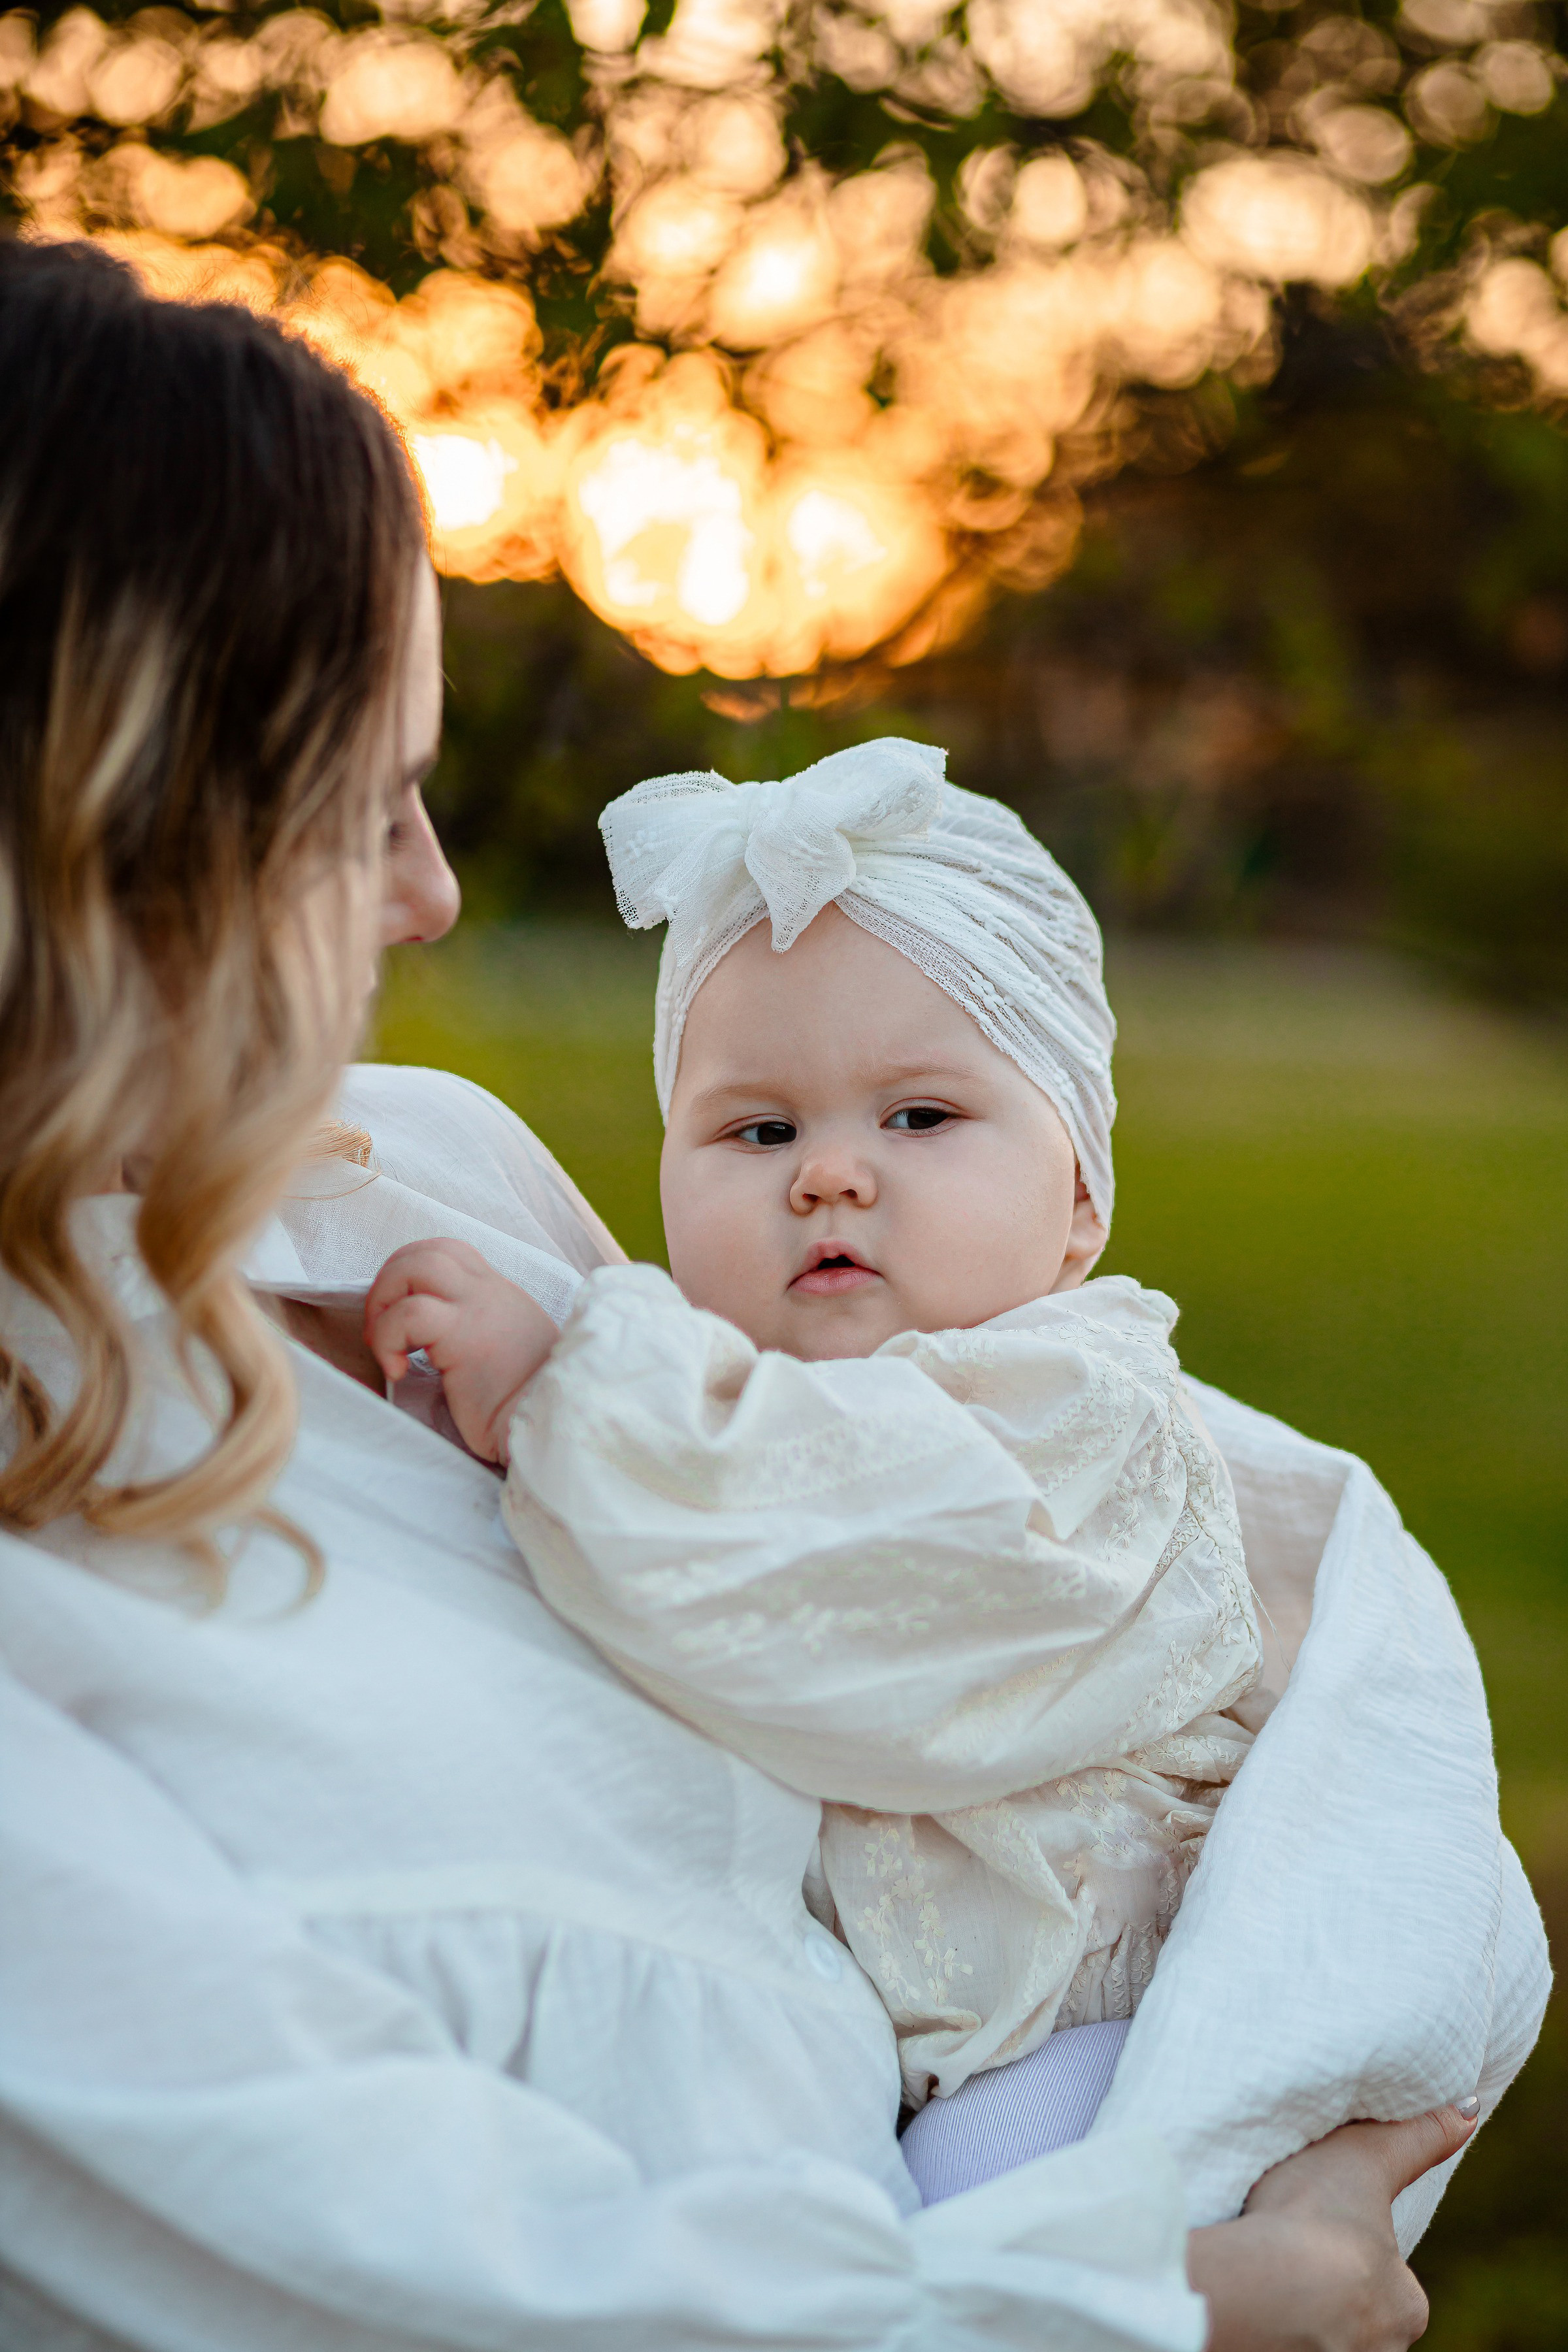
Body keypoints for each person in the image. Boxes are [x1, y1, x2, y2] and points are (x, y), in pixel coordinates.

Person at [0, 235, 1514, 2352]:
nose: (434, 897)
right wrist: (1185, 2310)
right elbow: (435, 2292)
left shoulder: (392, 1170)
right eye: (365, 805)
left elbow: (972, 1515)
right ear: (102, 832)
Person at [359, 749, 1550, 2225]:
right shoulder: (767, 1407)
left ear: (1081, 1205)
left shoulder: (1073, 1411)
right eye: (759, 1130)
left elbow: (854, 1569)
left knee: (976, 2247)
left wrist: (565, 1390)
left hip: (1097, 2049)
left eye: (917, 1118)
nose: (829, 1177)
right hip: (922, 2054)